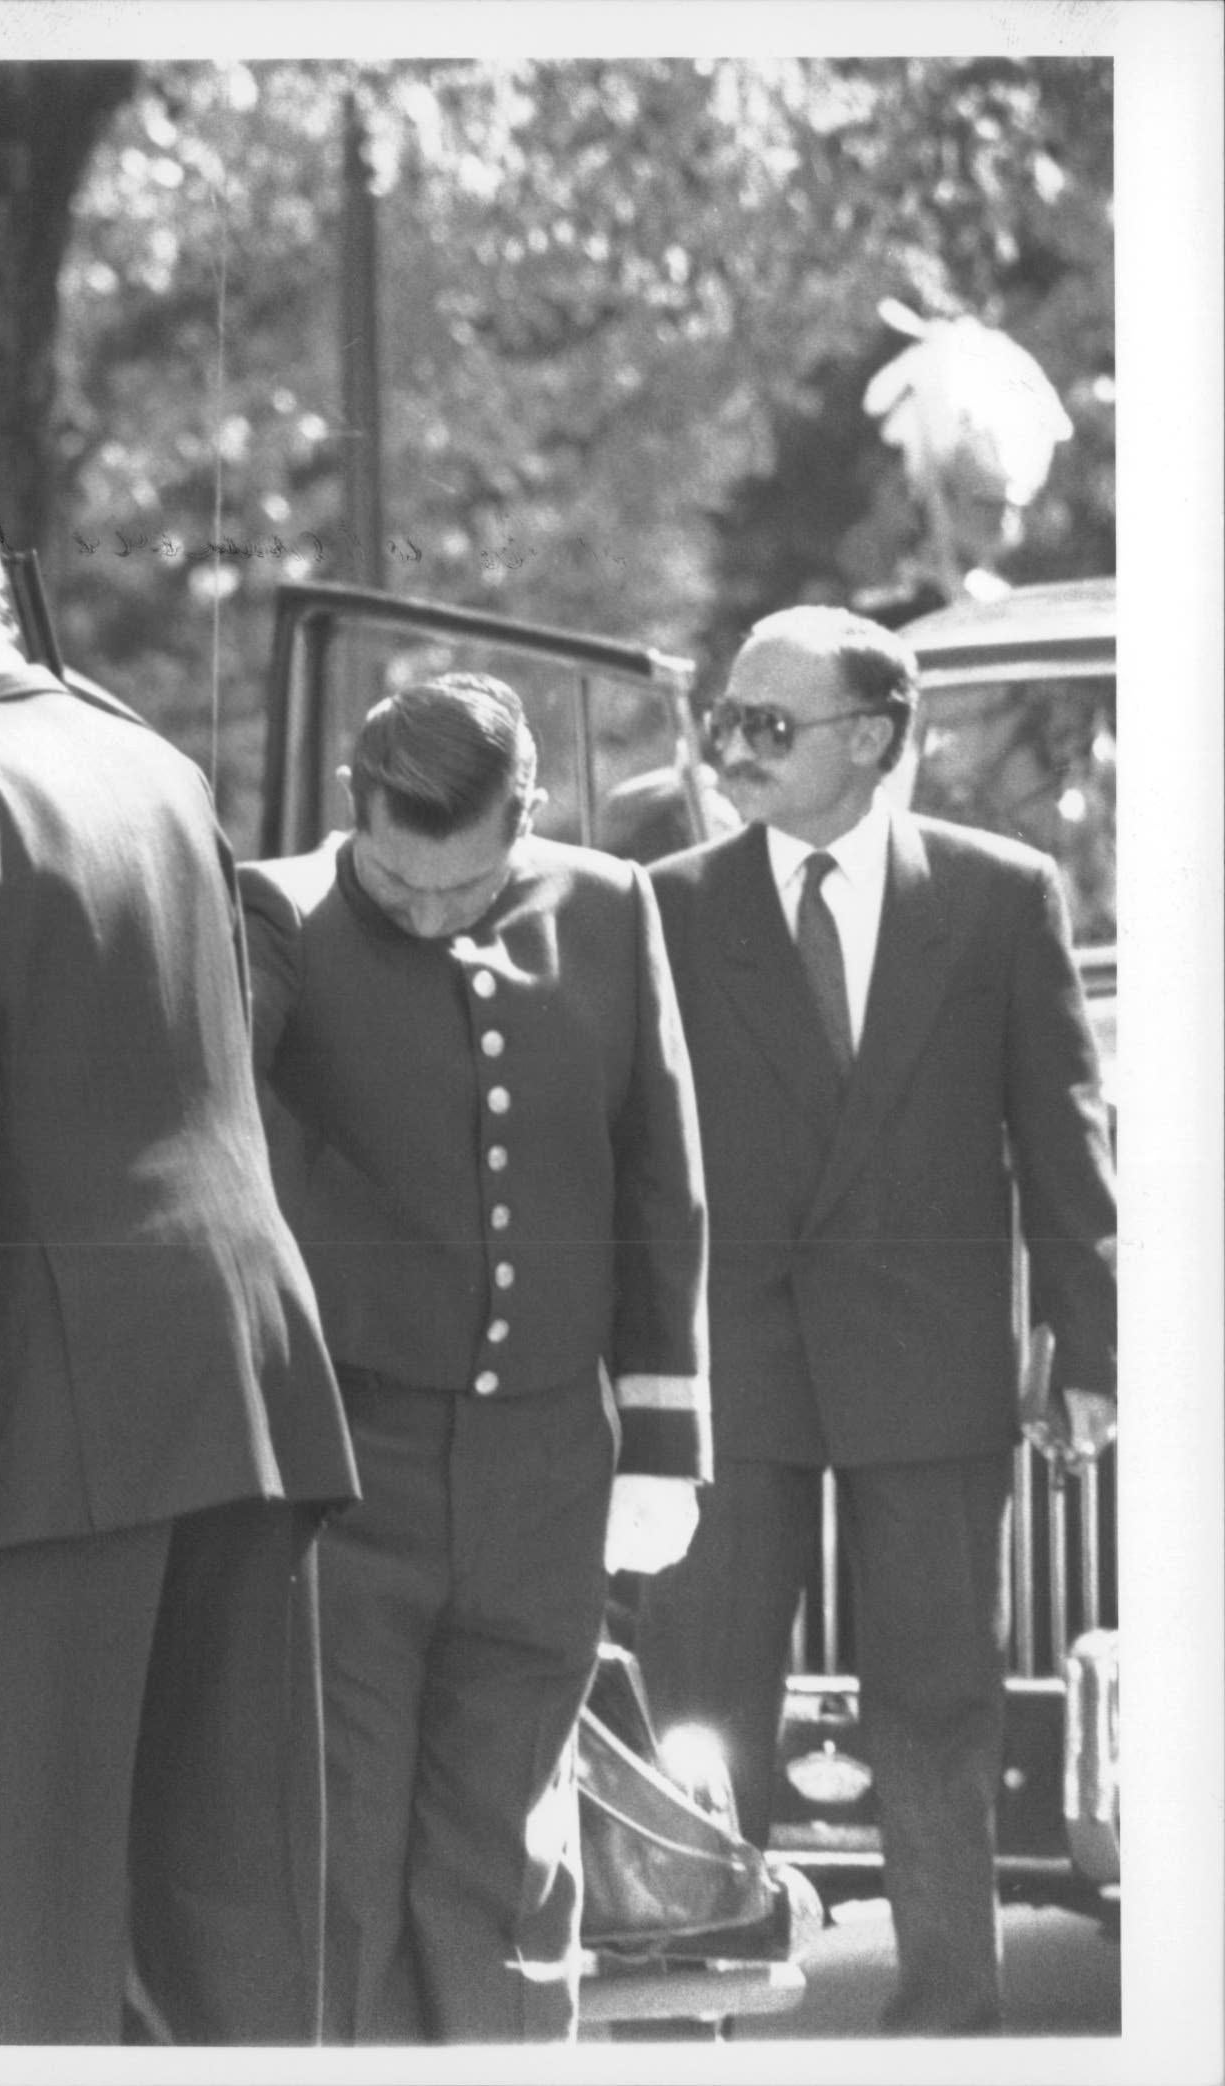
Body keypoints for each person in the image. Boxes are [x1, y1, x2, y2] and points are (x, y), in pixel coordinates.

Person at [0, 465, 358, 2044]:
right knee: (231, 1919)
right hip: (242, 1390)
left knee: (24, 1931)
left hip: (48, 1429)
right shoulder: (149, 757)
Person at [637, 606, 1117, 2035]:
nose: (733, 752)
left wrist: (1092, 1355)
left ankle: (952, 2009)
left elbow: (1061, 1135)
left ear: (876, 738)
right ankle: (690, 2001)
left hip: (931, 1364)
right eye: (726, 721)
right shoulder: (662, 901)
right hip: (735, 1370)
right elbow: (626, 1151)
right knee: (704, 1694)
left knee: (939, 1695)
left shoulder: (997, 893)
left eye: (769, 727)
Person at [234, 675, 709, 2043]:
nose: (432, 912)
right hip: (353, 1460)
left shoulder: (611, 908)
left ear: (528, 816)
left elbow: (658, 1180)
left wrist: (666, 1440)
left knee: (508, 1852)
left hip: (546, 1468)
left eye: (467, 883)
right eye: (396, 878)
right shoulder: (278, 914)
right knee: (349, 1851)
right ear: (352, 814)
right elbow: (230, 1127)